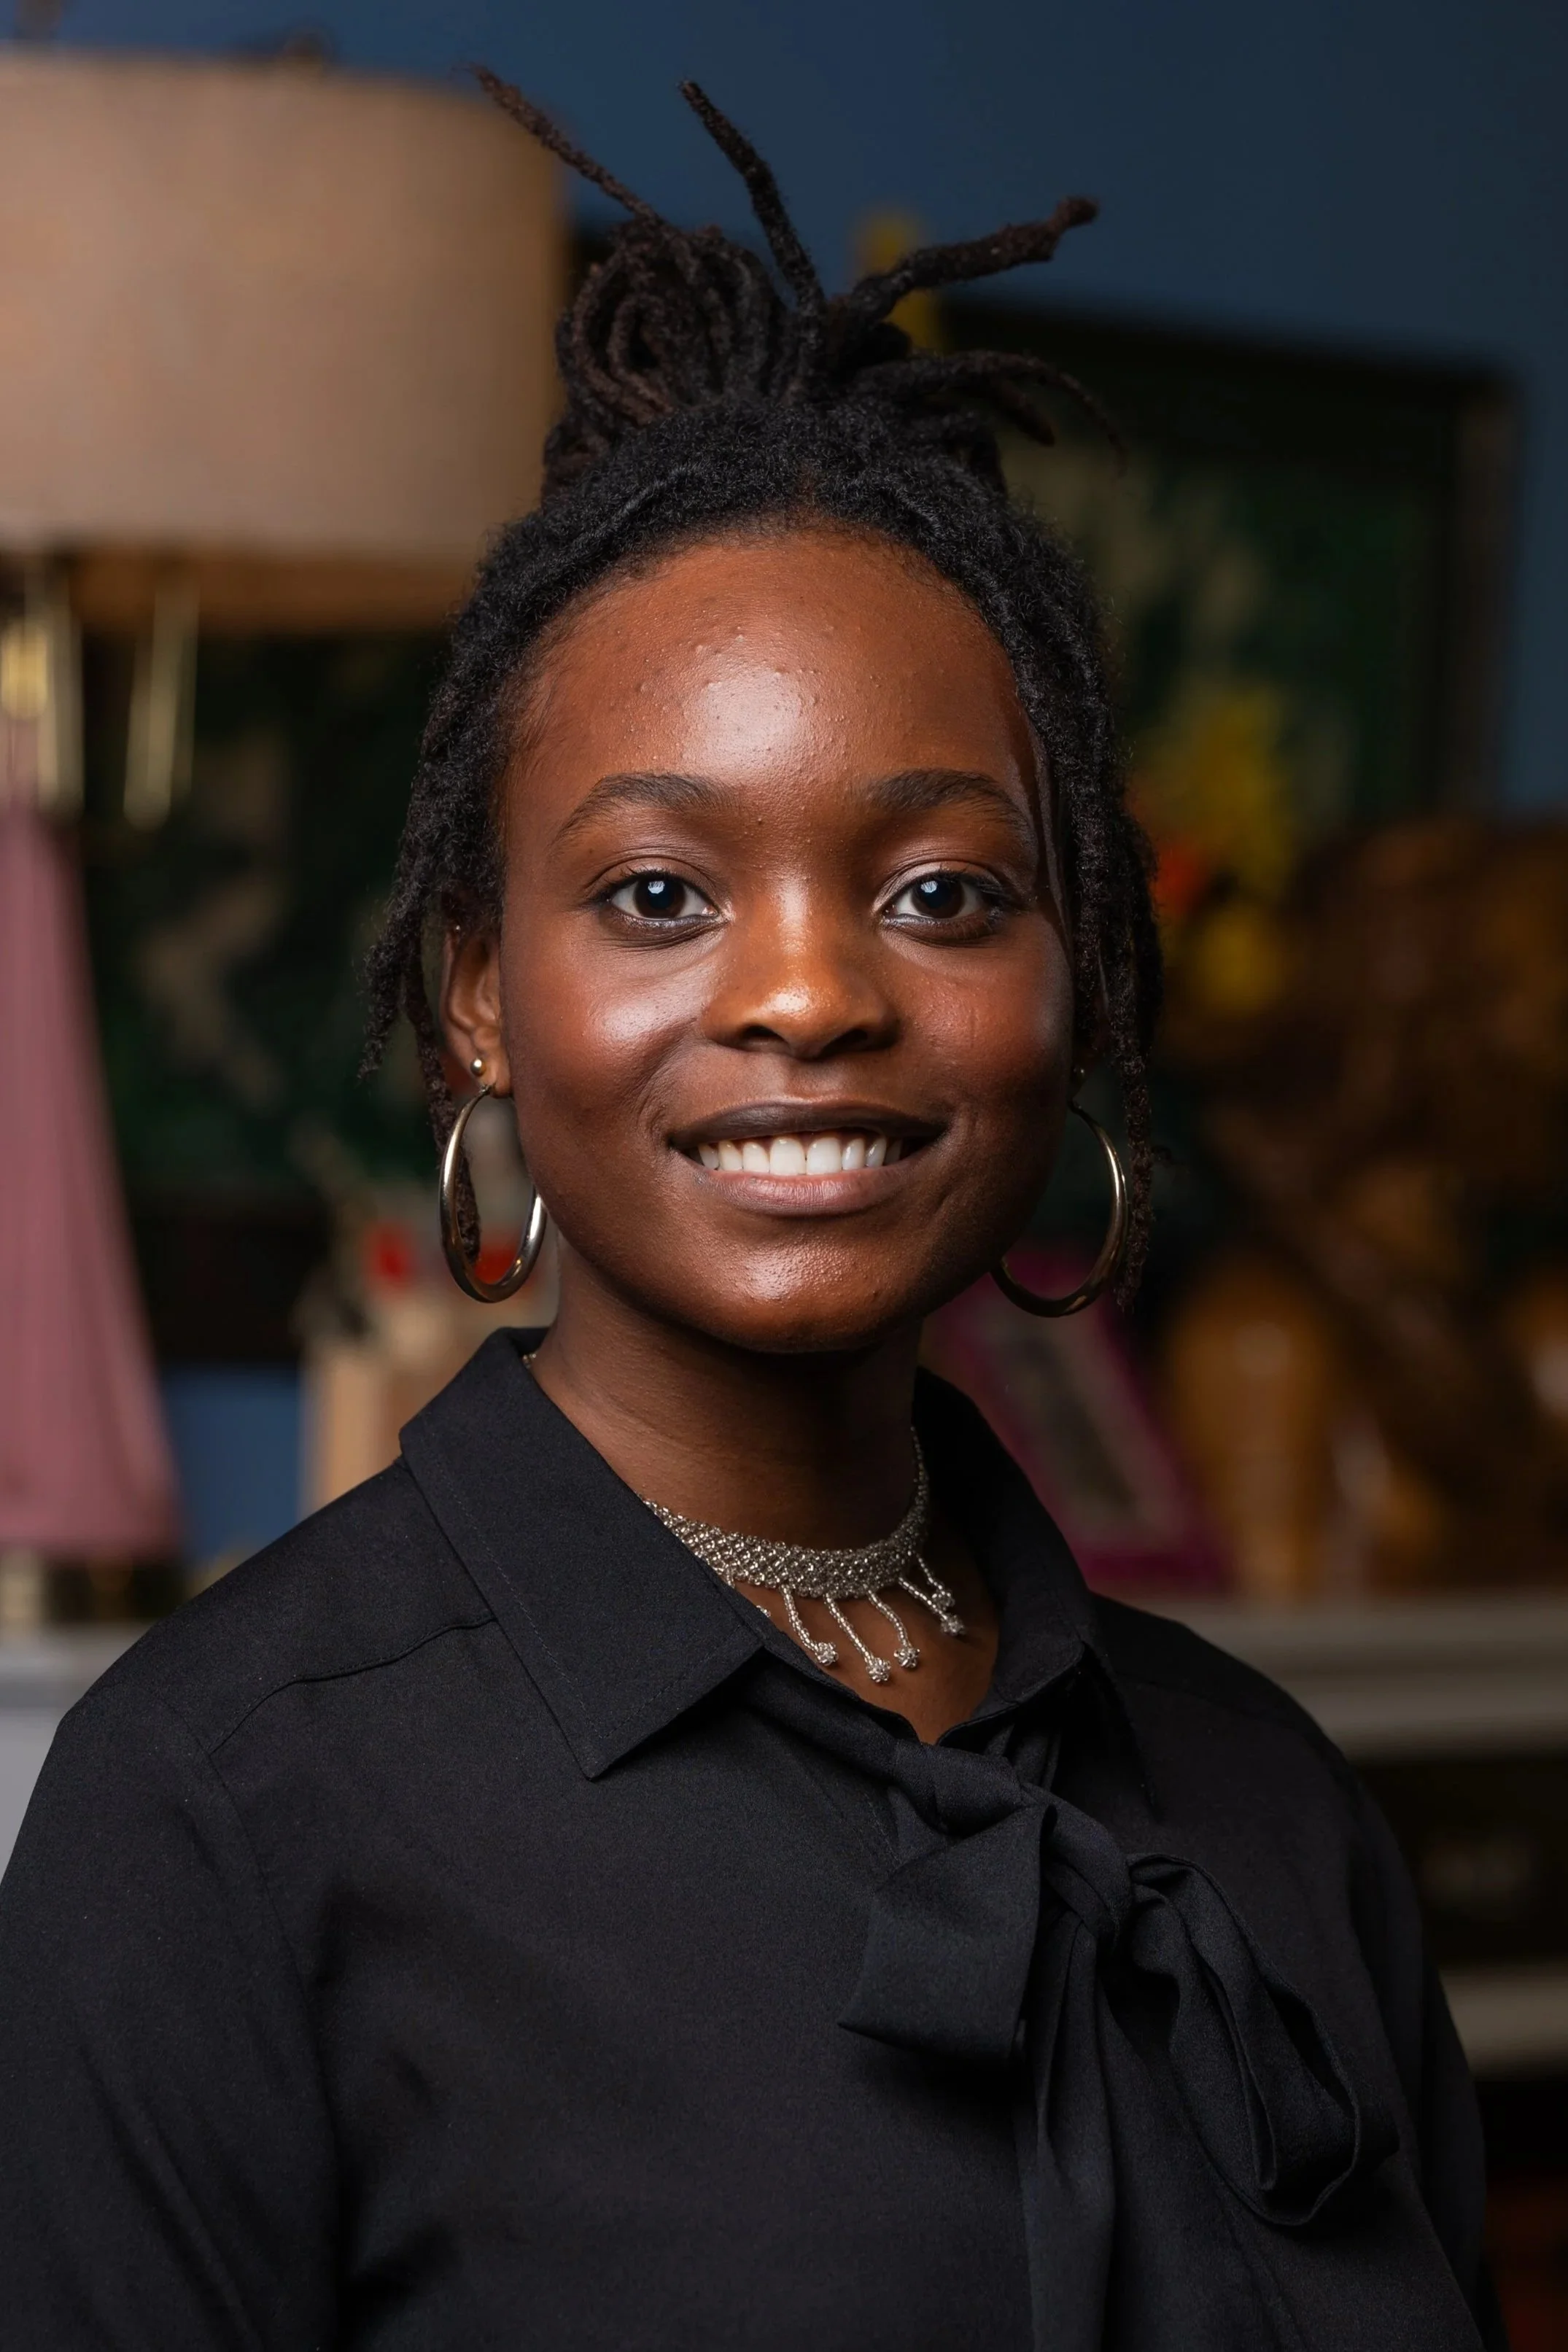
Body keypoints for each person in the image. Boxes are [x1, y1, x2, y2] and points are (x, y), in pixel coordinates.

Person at [0, 77, 1502, 2352]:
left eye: (936, 889)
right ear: (480, 997)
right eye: (658, 891)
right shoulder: (222, 1814)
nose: (808, 991)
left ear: (1072, 972)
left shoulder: (1263, 1802)